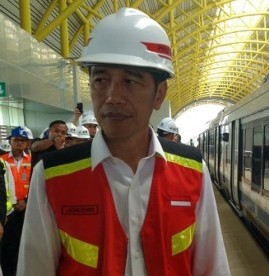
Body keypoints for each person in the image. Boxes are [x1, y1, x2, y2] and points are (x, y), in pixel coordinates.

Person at [18, 8, 230, 276]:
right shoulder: (52, 176)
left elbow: (212, 267)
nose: (112, 96)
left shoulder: (193, 171)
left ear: (159, 95)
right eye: (101, 80)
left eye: (130, 81)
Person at [0, 127, 32, 276]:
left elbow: (34, 183)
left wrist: (25, 201)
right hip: (9, 210)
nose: (19, 143)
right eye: (16, 140)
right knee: (8, 245)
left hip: (27, 207)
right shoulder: (3, 160)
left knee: (24, 242)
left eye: (22, 140)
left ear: (27, 143)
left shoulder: (32, 160)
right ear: (10, 141)